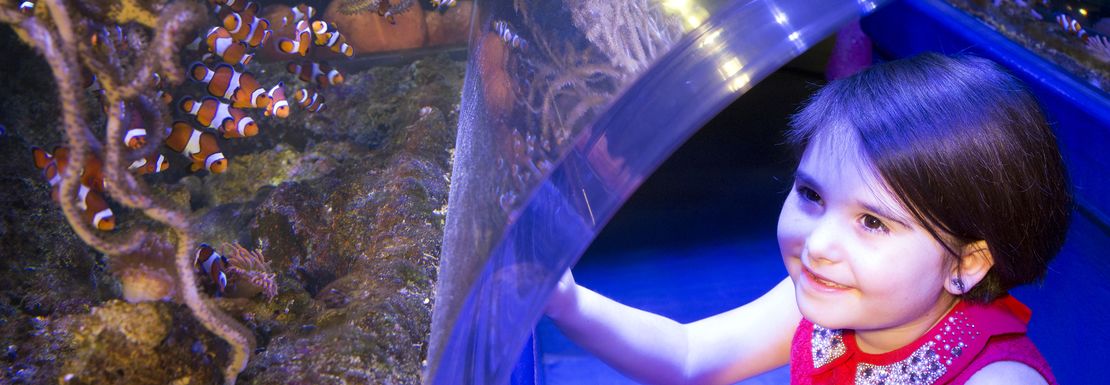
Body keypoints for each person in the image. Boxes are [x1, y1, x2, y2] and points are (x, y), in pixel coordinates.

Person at [544, 52, 1070, 385]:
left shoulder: (997, 379)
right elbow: (689, 356)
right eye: (812, 195)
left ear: (967, 263)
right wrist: (567, 302)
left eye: (872, 222)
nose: (818, 244)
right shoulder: (825, 302)